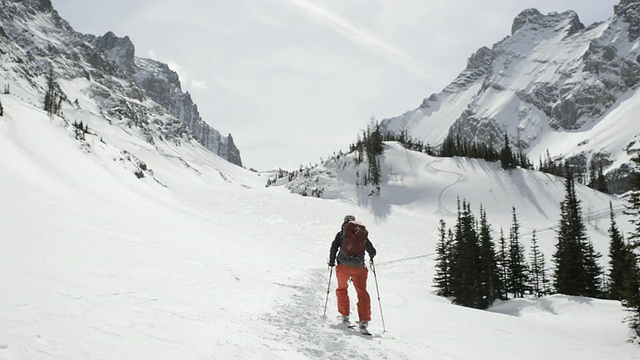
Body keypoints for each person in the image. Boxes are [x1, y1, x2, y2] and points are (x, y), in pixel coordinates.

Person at [328, 215, 377, 334]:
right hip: (359, 268)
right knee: (362, 293)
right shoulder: (361, 234)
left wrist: (331, 262)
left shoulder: (341, 234)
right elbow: (372, 251)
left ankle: (344, 316)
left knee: (342, 290)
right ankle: (364, 321)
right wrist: (370, 257)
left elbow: (334, 248)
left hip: (343, 267)